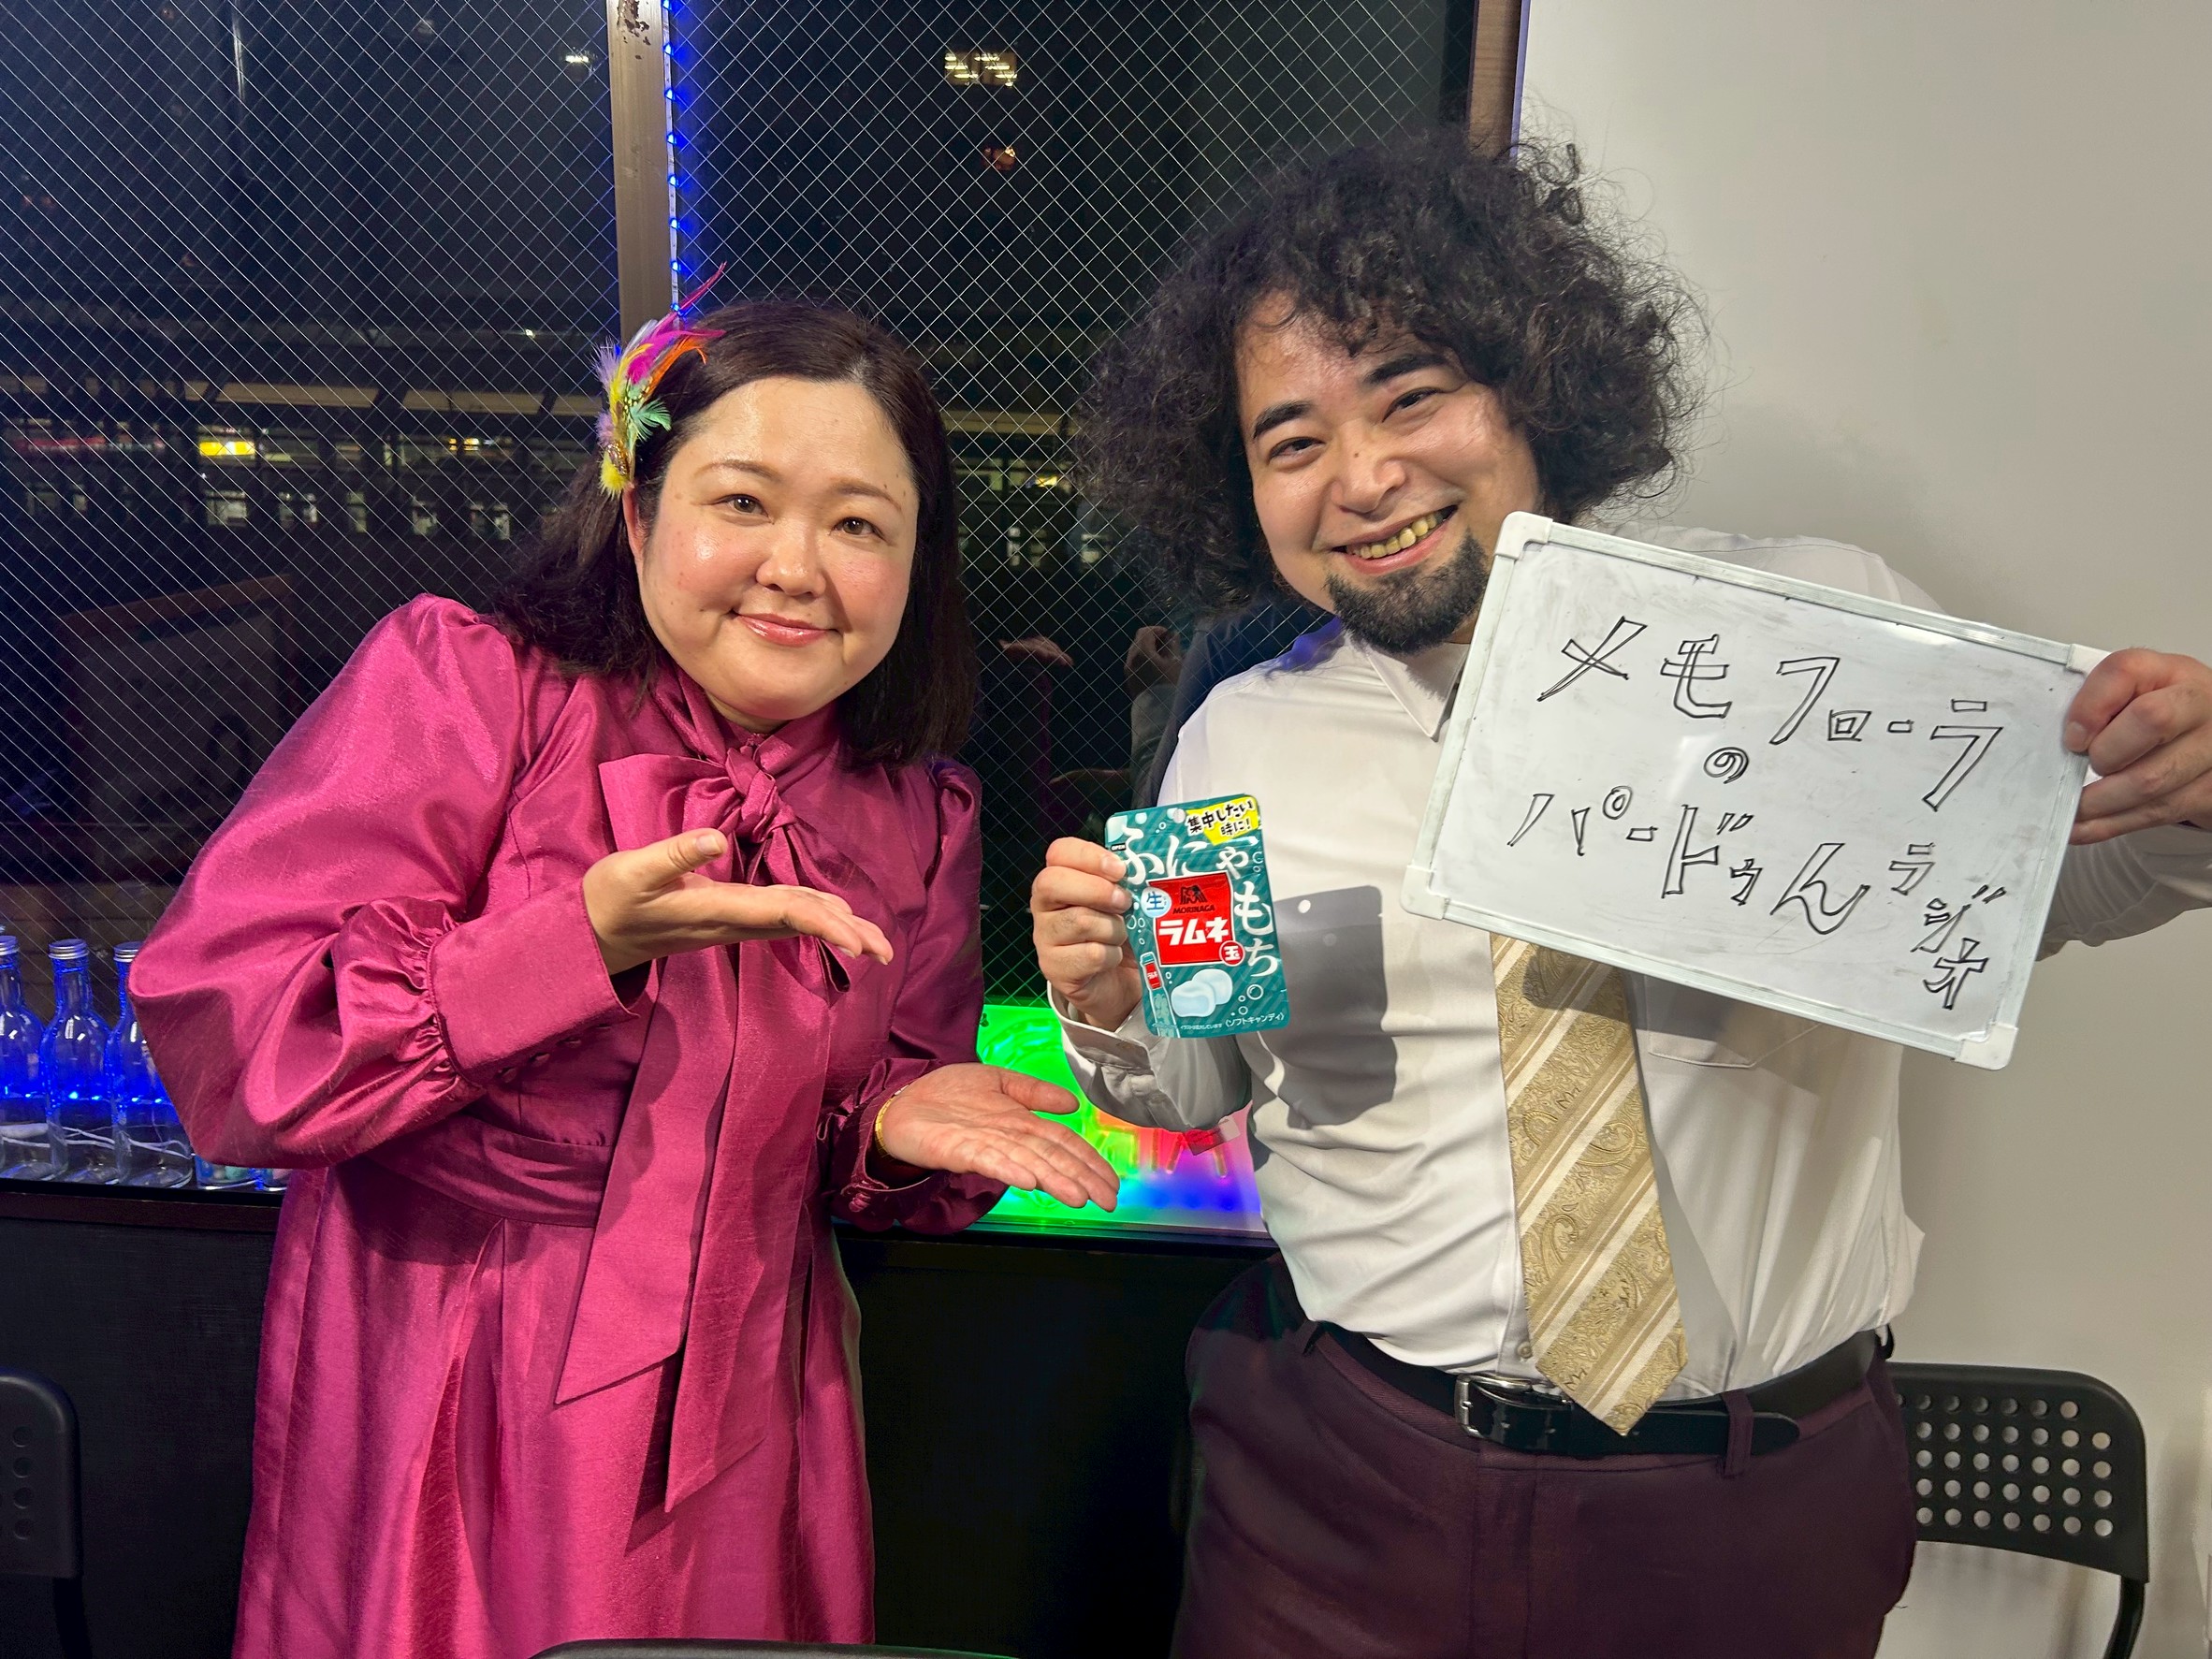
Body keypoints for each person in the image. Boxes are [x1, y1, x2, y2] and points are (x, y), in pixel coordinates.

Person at [1030, 131, 2212, 1658]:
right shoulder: (1234, 747)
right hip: (1344, 1492)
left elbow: (2056, 884)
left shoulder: (1818, 636)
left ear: (1534, 382)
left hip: (1753, 1512)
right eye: (1292, 440)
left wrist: (2191, 796)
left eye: (1411, 394)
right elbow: (1195, 1072)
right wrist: (1114, 1004)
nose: (1364, 476)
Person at [134, 298, 1118, 1659]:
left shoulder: (920, 810)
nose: (796, 567)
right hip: (453, 1352)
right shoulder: (472, 685)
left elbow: (870, 1109)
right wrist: (570, 946)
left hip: (754, 1391)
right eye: (743, 502)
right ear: (640, 512)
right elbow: (237, 1039)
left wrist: (891, 1126)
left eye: (859, 524)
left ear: (915, 566)